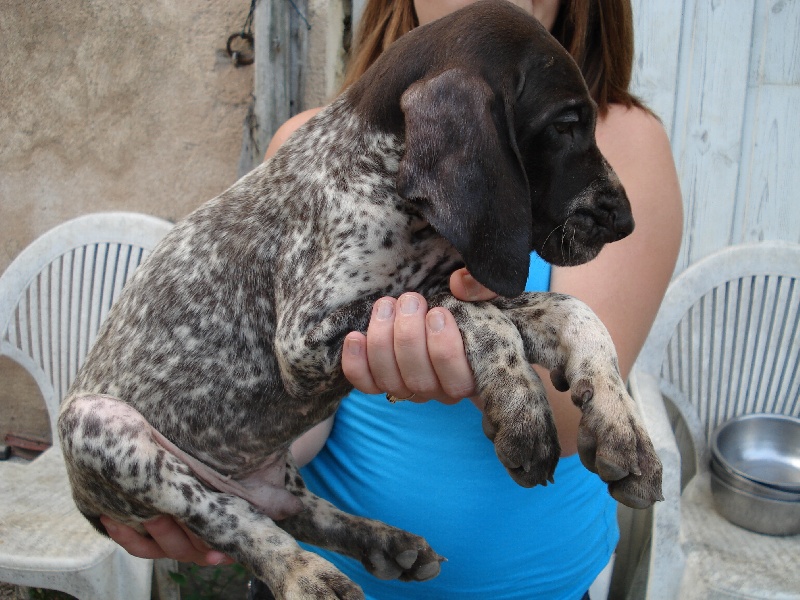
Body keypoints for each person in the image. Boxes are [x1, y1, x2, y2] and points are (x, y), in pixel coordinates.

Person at [101, 1, 683, 598]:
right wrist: (213, 484)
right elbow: (299, 408)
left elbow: (556, 428)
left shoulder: (631, 145)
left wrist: (492, 334)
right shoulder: (314, 146)